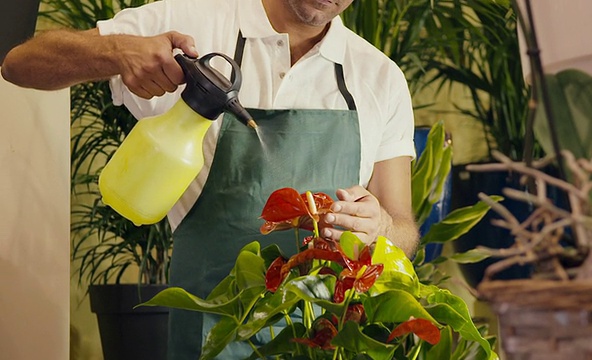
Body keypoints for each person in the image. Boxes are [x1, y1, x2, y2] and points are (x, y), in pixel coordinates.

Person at [2, 0, 420, 358]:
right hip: (205, 333)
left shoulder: (379, 79)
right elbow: (20, 64)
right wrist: (118, 50)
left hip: (323, 340)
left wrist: (380, 226)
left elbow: (403, 229)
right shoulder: (194, 23)